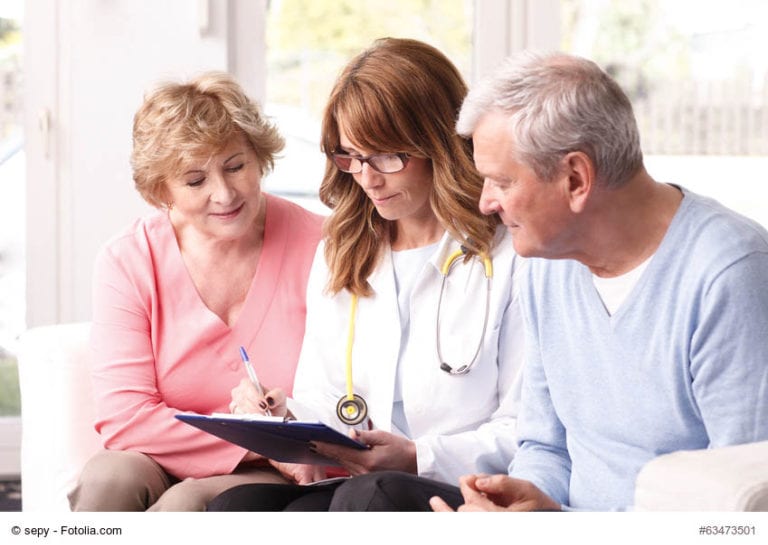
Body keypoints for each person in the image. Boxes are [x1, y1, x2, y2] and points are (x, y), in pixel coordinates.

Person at [348, 50, 768, 512]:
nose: (486, 202)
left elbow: (741, 512)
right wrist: (509, 505)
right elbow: (545, 446)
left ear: (575, 178)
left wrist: (558, 527)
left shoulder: (729, 275)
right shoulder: (549, 266)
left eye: (501, 182)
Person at [207, 37, 525, 511]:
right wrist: (285, 414)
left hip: (458, 484)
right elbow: (327, 395)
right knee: (237, 508)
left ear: (438, 141)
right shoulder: (344, 250)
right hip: (361, 488)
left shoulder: (509, 253)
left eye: (387, 156)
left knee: (371, 494)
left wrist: (418, 456)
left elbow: (528, 426)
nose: (367, 177)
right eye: (350, 156)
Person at [69, 72, 324, 511]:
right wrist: (256, 445)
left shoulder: (321, 243)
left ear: (258, 158)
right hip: (178, 455)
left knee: (185, 507)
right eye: (194, 180)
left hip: (279, 469)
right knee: (108, 478)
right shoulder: (127, 260)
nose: (223, 194)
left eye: (235, 166)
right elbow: (124, 416)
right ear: (160, 190)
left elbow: (349, 390)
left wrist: (279, 442)